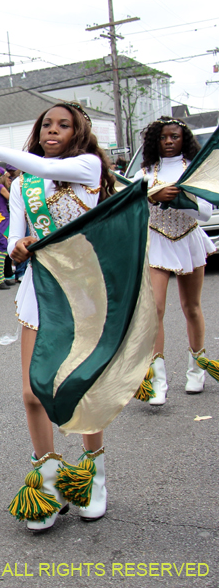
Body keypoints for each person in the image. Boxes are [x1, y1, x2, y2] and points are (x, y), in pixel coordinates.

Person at [0, 101, 116, 531]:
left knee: (81, 387)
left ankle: (91, 478)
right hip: (39, 290)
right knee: (32, 392)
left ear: (77, 132)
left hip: (83, 290)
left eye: (63, 125)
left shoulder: (88, 167)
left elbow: (45, 170)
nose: (53, 130)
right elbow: (10, 240)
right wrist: (19, 246)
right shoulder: (25, 183)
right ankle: (47, 481)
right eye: (47, 124)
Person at [133, 118, 217, 403]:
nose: (169, 141)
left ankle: (197, 370)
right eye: (163, 137)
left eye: (175, 137)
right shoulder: (144, 173)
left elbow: (205, 212)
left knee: (191, 307)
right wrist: (151, 194)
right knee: (154, 309)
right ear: (155, 141)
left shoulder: (194, 172)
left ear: (184, 139)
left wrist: (179, 198)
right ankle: (158, 380)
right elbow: (130, 205)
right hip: (156, 242)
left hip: (189, 239)